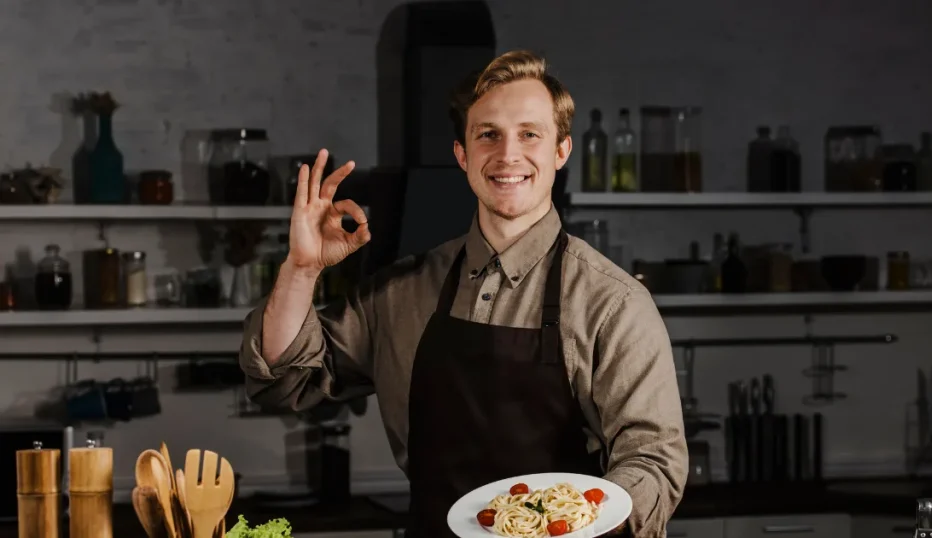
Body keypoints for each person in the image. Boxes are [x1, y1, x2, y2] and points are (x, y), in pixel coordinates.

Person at [238, 50, 687, 537]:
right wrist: (302, 269)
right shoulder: (402, 291)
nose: (508, 154)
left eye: (529, 134)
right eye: (488, 134)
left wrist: (567, 524)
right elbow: (285, 376)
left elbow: (652, 463)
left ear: (561, 151)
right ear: (462, 155)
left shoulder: (612, 303)